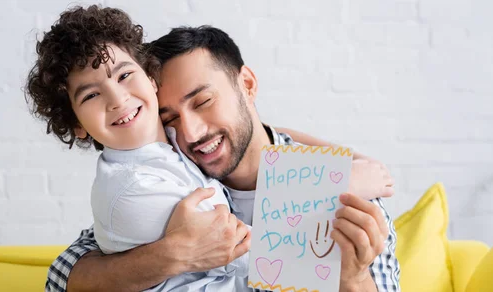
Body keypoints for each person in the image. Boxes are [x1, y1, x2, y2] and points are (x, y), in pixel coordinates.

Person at [41, 8, 400, 292]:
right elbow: (63, 274)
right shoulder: (176, 178)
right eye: (170, 118)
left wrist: (352, 282)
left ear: (247, 84)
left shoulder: (353, 199)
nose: (192, 132)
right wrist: (172, 255)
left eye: (203, 101)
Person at [25, 6, 251, 291]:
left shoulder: (175, 139)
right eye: (91, 95)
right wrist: (314, 246)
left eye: (123, 76)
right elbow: (238, 249)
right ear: (77, 124)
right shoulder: (134, 188)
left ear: (151, 78)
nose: (117, 99)